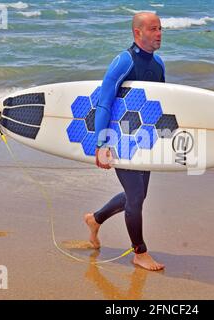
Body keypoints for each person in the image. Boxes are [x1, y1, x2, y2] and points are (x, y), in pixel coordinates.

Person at [84, 12, 165, 271]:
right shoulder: (123, 61)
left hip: (142, 139)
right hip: (119, 139)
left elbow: (160, 106)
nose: (159, 33)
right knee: (136, 195)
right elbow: (104, 103)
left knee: (137, 197)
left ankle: (95, 220)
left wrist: (162, 141)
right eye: (153, 29)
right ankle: (139, 252)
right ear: (137, 33)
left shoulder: (159, 64)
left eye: (160, 28)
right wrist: (102, 143)